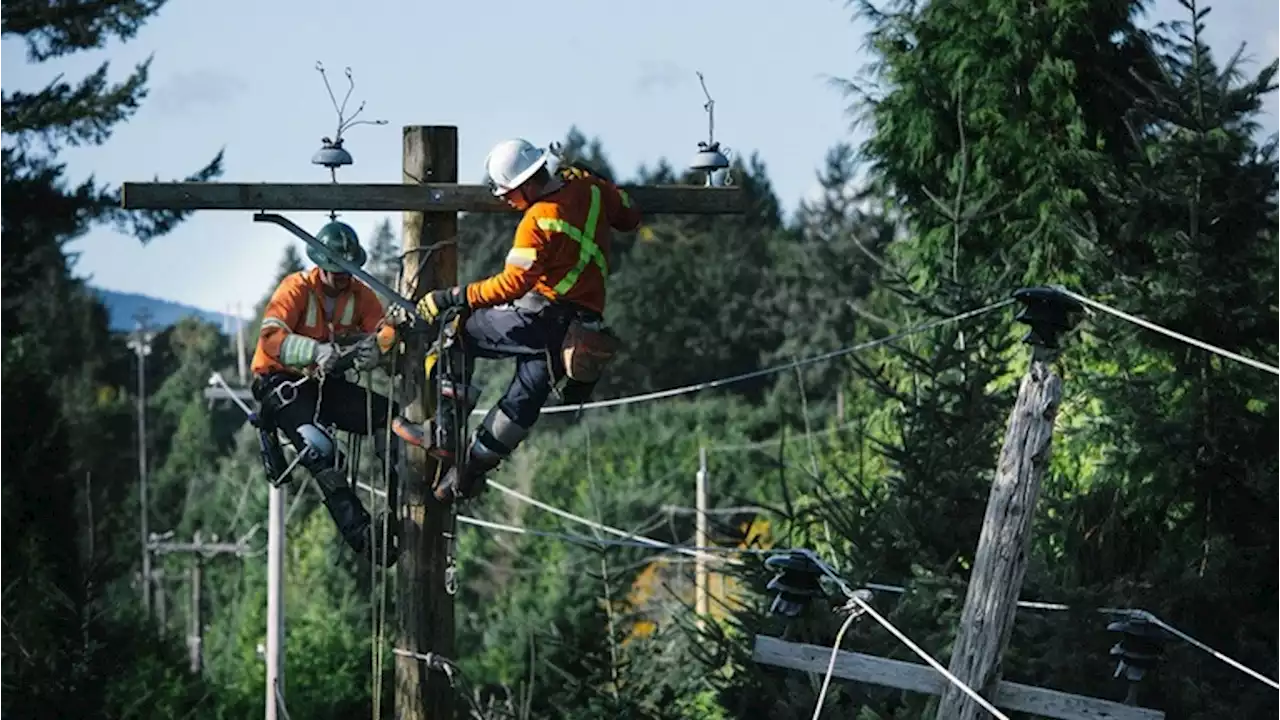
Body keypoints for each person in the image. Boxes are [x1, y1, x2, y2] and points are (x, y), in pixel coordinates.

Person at [415, 138, 642, 502]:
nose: (505, 201)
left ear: (526, 184)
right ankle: (467, 474)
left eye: (508, 193)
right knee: (523, 401)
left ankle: (444, 433)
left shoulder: (538, 220)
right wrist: (597, 178)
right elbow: (631, 217)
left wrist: (451, 298)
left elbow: (511, 284)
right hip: (577, 331)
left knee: (456, 331)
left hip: (542, 316)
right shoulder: (592, 190)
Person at [250, 219, 420, 566]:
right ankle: (362, 535)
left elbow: (384, 330)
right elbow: (270, 338)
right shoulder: (295, 288)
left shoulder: (359, 293)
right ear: (319, 265)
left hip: (325, 385)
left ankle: (399, 512)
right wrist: (312, 351)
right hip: (283, 384)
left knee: (391, 420)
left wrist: (379, 347)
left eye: (347, 270)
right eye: (335, 270)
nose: (342, 277)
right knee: (320, 451)